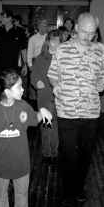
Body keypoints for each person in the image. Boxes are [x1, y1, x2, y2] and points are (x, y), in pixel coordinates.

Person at [47, 12, 104, 207]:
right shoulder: (62, 50)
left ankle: (79, 188)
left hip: (91, 113)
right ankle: (67, 191)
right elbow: (52, 74)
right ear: (76, 29)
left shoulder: (100, 50)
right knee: (68, 154)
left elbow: (102, 78)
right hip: (67, 111)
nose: (88, 37)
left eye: (92, 33)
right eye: (84, 32)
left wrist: (100, 85)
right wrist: (56, 86)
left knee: (85, 154)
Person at [0, 69, 52, 207]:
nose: (23, 89)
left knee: (22, 198)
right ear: (7, 92)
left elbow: (35, 118)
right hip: (0, 165)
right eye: (19, 87)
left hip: (22, 165)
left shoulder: (23, 106)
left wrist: (42, 111)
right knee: (1, 198)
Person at [31, 30, 61, 162]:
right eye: (53, 40)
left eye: (59, 41)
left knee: (57, 126)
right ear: (48, 42)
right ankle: (47, 152)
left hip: (60, 97)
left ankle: (55, 151)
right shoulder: (41, 57)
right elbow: (34, 76)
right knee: (47, 125)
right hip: (45, 96)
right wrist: (37, 82)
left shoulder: (63, 57)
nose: (56, 43)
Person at [0, 10, 26, 74]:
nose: (1, 19)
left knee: (13, 83)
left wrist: (25, 65)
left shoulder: (20, 31)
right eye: (1, 17)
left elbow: (23, 50)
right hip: (1, 65)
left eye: (3, 17)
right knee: (1, 83)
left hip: (14, 66)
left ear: (10, 18)